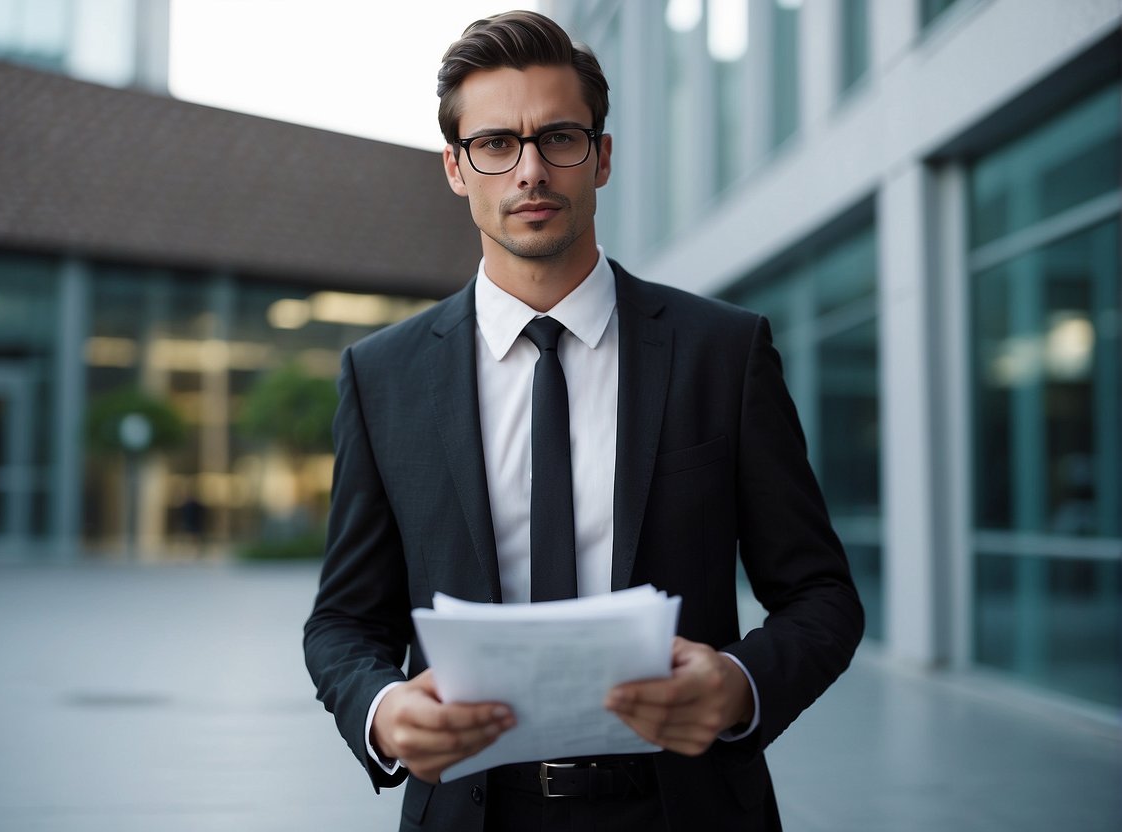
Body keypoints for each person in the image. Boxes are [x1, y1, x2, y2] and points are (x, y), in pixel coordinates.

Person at [304, 10, 863, 831]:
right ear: (456, 170)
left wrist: (740, 686)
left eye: (558, 138)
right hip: (470, 809)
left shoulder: (723, 351)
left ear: (601, 157)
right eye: (495, 145)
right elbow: (344, 620)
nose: (529, 171)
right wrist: (383, 709)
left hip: (687, 807)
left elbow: (821, 596)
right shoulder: (383, 376)